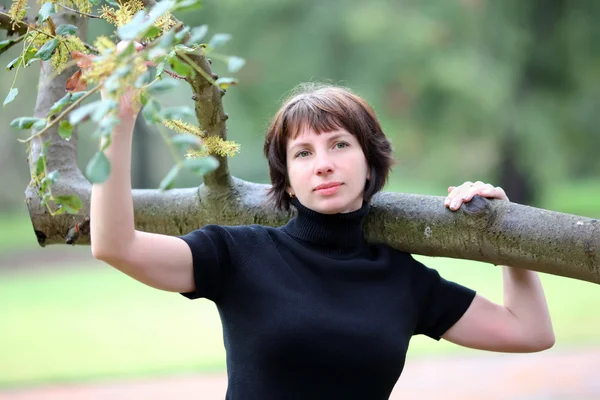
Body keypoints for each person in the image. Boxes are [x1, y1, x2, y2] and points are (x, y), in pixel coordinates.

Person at [90, 46, 554, 400]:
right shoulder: (237, 255)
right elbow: (115, 245)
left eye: (339, 145)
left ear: (370, 164)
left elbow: (531, 333)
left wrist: (500, 232)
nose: (323, 164)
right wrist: (119, 117)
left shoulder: (402, 279)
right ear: (287, 181)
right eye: (303, 153)